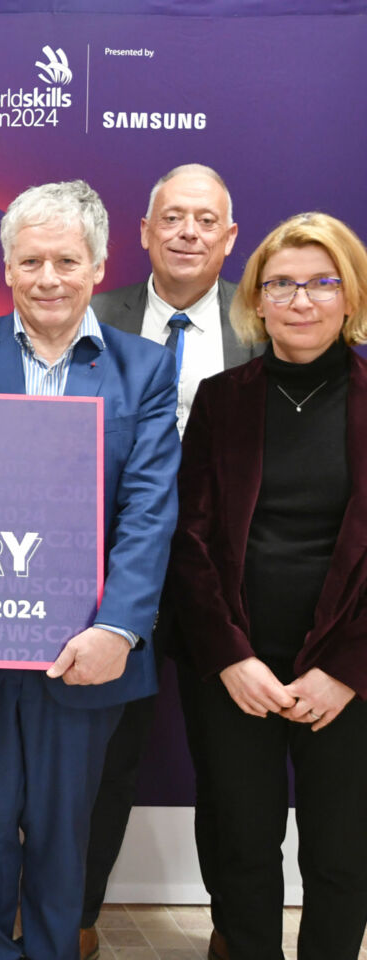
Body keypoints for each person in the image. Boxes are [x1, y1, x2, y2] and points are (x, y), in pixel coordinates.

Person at [0, 180, 179, 960]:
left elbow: (149, 513)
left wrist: (118, 628)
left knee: (64, 837)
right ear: (7, 269)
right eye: (31, 261)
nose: (48, 277)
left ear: (97, 267)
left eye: (66, 260)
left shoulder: (144, 370)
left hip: (87, 653)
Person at [170, 212, 367, 960]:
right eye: (282, 284)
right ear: (256, 299)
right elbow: (188, 543)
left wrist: (346, 672)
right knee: (243, 849)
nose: (301, 300)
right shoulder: (223, 400)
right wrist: (230, 657)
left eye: (322, 282)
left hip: (347, 676)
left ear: (349, 296)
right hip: (238, 667)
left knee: (342, 854)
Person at [83, 163, 260, 960]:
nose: (188, 231)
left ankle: (237, 928)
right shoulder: (92, 315)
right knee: (100, 761)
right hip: (119, 575)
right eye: (173, 218)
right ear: (145, 231)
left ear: (230, 239)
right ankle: (76, 918)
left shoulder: (265, 321)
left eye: (205, 220)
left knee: (232, 771)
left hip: (231, 585)